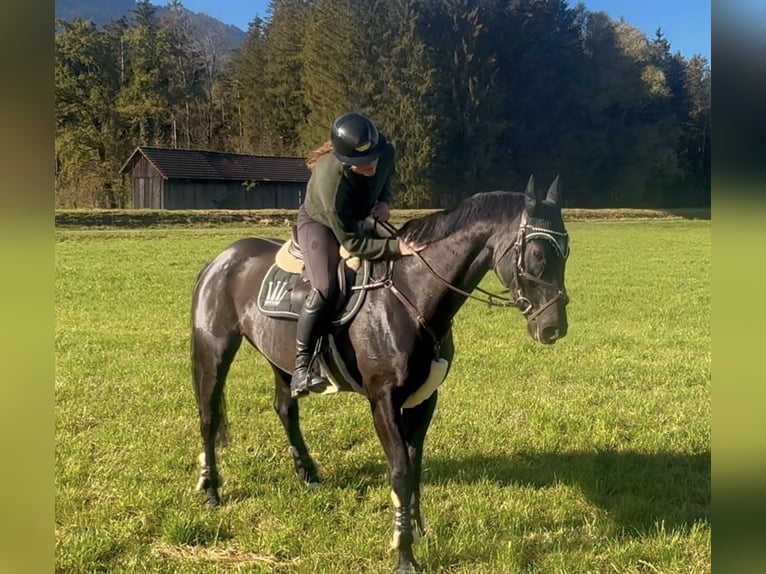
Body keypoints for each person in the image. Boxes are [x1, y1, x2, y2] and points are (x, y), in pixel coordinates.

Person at [290, 112, 425, 398]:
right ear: (345, 162)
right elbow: (350, 243)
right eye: (362, 164)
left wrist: (385, 201)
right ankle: (302, 367)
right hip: (322, 223)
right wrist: (395, 248)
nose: (372, 165)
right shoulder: (330, 178)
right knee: (326, 287)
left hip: (362, 215)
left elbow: (385, 176)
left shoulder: (384, 151)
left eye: (373, 157)